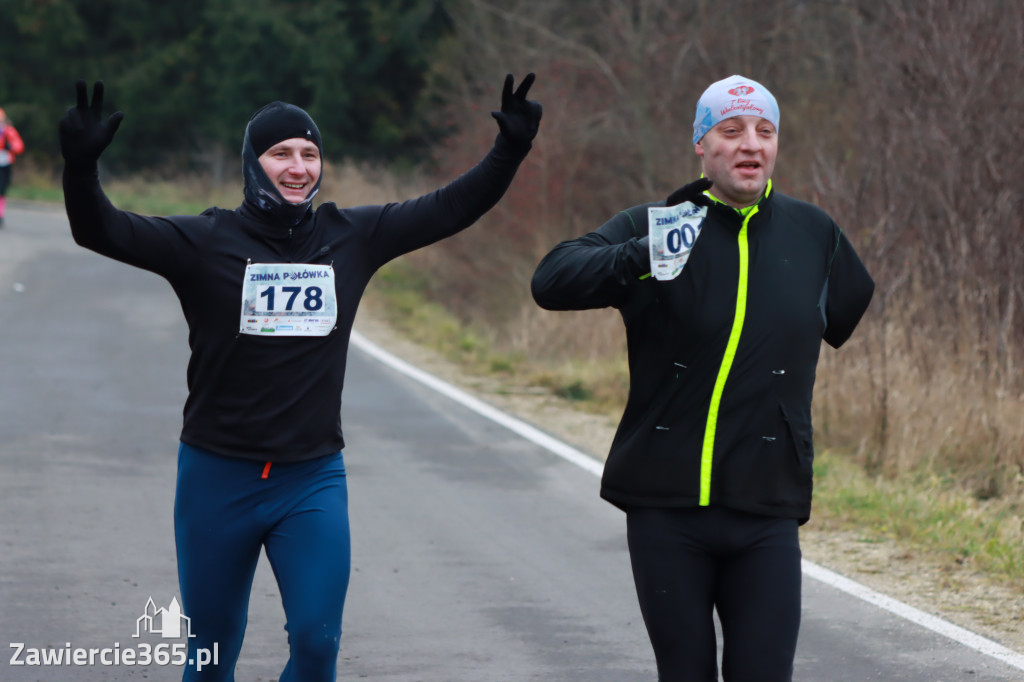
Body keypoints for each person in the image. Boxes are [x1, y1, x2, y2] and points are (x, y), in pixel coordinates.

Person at [59, 75, 541, 681]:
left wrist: (509, 151)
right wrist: (80, 169)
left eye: (309, 154)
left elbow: (449, 207)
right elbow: (99, 229)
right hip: (217, 479)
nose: (298, 167)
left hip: (310, 479)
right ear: (253, 164)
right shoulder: (206, 241)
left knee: (316, 644)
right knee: (210, 654)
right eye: (281, 153)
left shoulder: (351, 237)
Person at [531, 74, 874, 681]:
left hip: (767, 506)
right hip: (666, 509)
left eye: (764, 132)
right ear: (701, 144)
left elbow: (844, 309)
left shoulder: (814, 235)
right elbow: (552, 280)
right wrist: (640, 257)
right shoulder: (658, 224)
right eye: (731, 130)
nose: (750, 144)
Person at [0, 107, 26, 227]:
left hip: (5, 164)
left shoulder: (9, 131)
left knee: (2, 190)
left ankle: (0, 215)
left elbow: (19, 146)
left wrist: (9, 146)